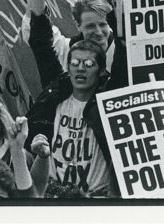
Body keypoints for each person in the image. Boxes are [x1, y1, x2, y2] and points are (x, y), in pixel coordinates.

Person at [24, 39, 116, 197]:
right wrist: (38, 17)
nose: (80, 69)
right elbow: (42, 50)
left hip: (96, 201)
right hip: (53, 197)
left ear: (101, 70)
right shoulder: (52, 101)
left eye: (88, 64)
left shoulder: (109, 105)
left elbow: (123, 60)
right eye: (74, 63)